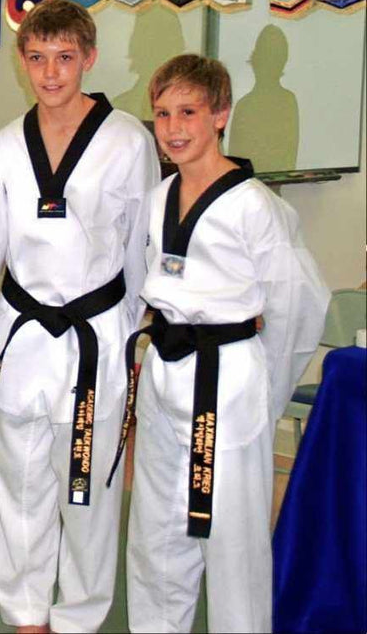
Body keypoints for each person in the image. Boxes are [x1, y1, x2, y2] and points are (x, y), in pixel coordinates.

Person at [0, 0, 160, 633]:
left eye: (65, 58)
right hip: (23, 331)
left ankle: (79, 615)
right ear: (23, 62)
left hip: (96, 331)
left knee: (87, 483)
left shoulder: (128, 141)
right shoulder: (3, 147)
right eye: (38, 58)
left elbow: (140, 243)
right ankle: (25, 612)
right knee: (19, 480)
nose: (50, 73)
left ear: (89, 59)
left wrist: (132, 327)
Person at [125, 54, 329, 633]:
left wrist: (264, 389)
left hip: (228, 379)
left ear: (221, 115)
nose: (173, 128)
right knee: (157, 530)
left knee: (231, 540)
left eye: (188, 112)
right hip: (166, 369)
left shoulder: (254, 204)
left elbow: (298, 305)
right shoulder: (159, 196)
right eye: (163, 113)